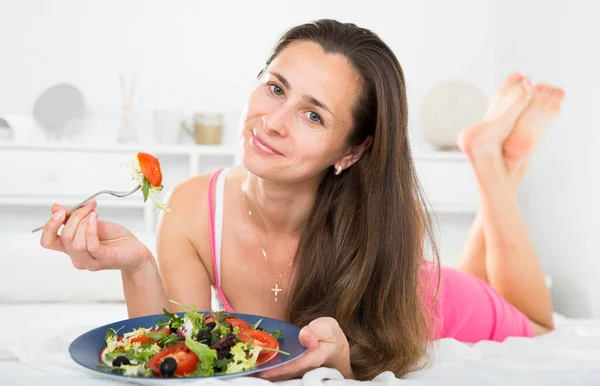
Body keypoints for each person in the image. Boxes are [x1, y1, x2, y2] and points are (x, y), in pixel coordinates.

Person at [39, 19, 564, 381]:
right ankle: (497, 157)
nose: (273, 122)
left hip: (433, 302)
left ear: (353, 151)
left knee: (537, 322)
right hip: (424, 277)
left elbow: (391, 350)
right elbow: (179, 347)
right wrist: (137, 266)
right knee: (474, 271)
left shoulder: (383, 221)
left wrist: (350, 365)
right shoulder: (193, 209)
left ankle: (493, 166)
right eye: (274, 88)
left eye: (313, 115)